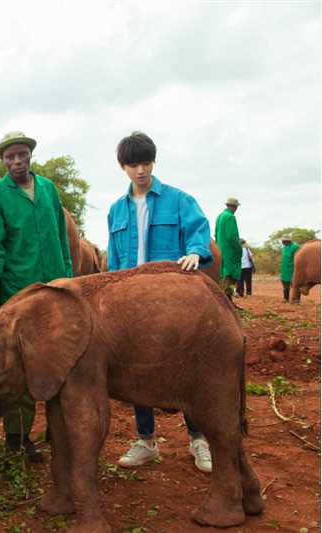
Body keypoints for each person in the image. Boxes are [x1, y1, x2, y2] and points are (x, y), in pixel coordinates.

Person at [106, 131, 214, 474]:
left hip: (171, 301)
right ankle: (146, 441)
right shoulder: (115, 211)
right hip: (132, 303)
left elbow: (199, 232)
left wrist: (196, 253)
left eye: (146, 162)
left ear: (154, 162)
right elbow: (112, 260)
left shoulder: (179, 200)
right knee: (138, 369)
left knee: (184, 369)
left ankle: (199, 440)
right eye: (134, 164)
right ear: (123, 167)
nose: (141, 170)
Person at [0, 131, 73, 461]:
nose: (16, 162)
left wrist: (69, 281)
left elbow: (62, 240)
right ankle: (18, 439)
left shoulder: (47, 189)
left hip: (56, 289)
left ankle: (60, 431)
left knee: (63, 358)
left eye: (21, 155)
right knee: (23, 365)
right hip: (20, 292)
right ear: (2, 161)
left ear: (30, 155)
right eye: (9, 157)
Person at [214, 198, 242, 301]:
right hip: (230, 251)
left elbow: (216, 234)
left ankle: (225, 300)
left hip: (220, 249)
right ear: (234, 207)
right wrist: (239, 248)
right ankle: (227, 300)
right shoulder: (230, 217)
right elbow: (231, 237)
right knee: (230, 274)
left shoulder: (220, 216)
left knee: (223, 272)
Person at [280, 237, 301, 303]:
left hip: (293, 269)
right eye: (282, 241)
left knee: (295, 285)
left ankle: (296, 300)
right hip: (284, 269)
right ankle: (286, 299)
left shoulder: (295, 247)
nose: (282, 242)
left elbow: (299, 257)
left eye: (283, 241)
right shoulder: (283, 248)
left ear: (288, 241)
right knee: (285, 285)